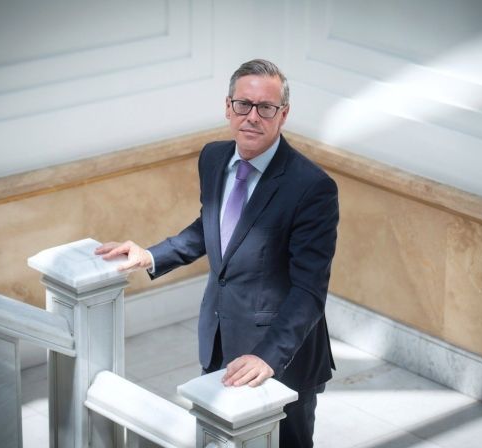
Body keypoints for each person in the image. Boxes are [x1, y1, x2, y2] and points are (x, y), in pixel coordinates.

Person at [95, 59, 339, 447]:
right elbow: (212, 226)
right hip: (219, 337)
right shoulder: (213, 157)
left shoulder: (312, 187)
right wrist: (152, 255)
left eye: (266, 107)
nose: (252, 116)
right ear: (228, 107)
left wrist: (268, 356)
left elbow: (309, 291)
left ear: (283, 114)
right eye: (243, 104)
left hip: (281, 359)